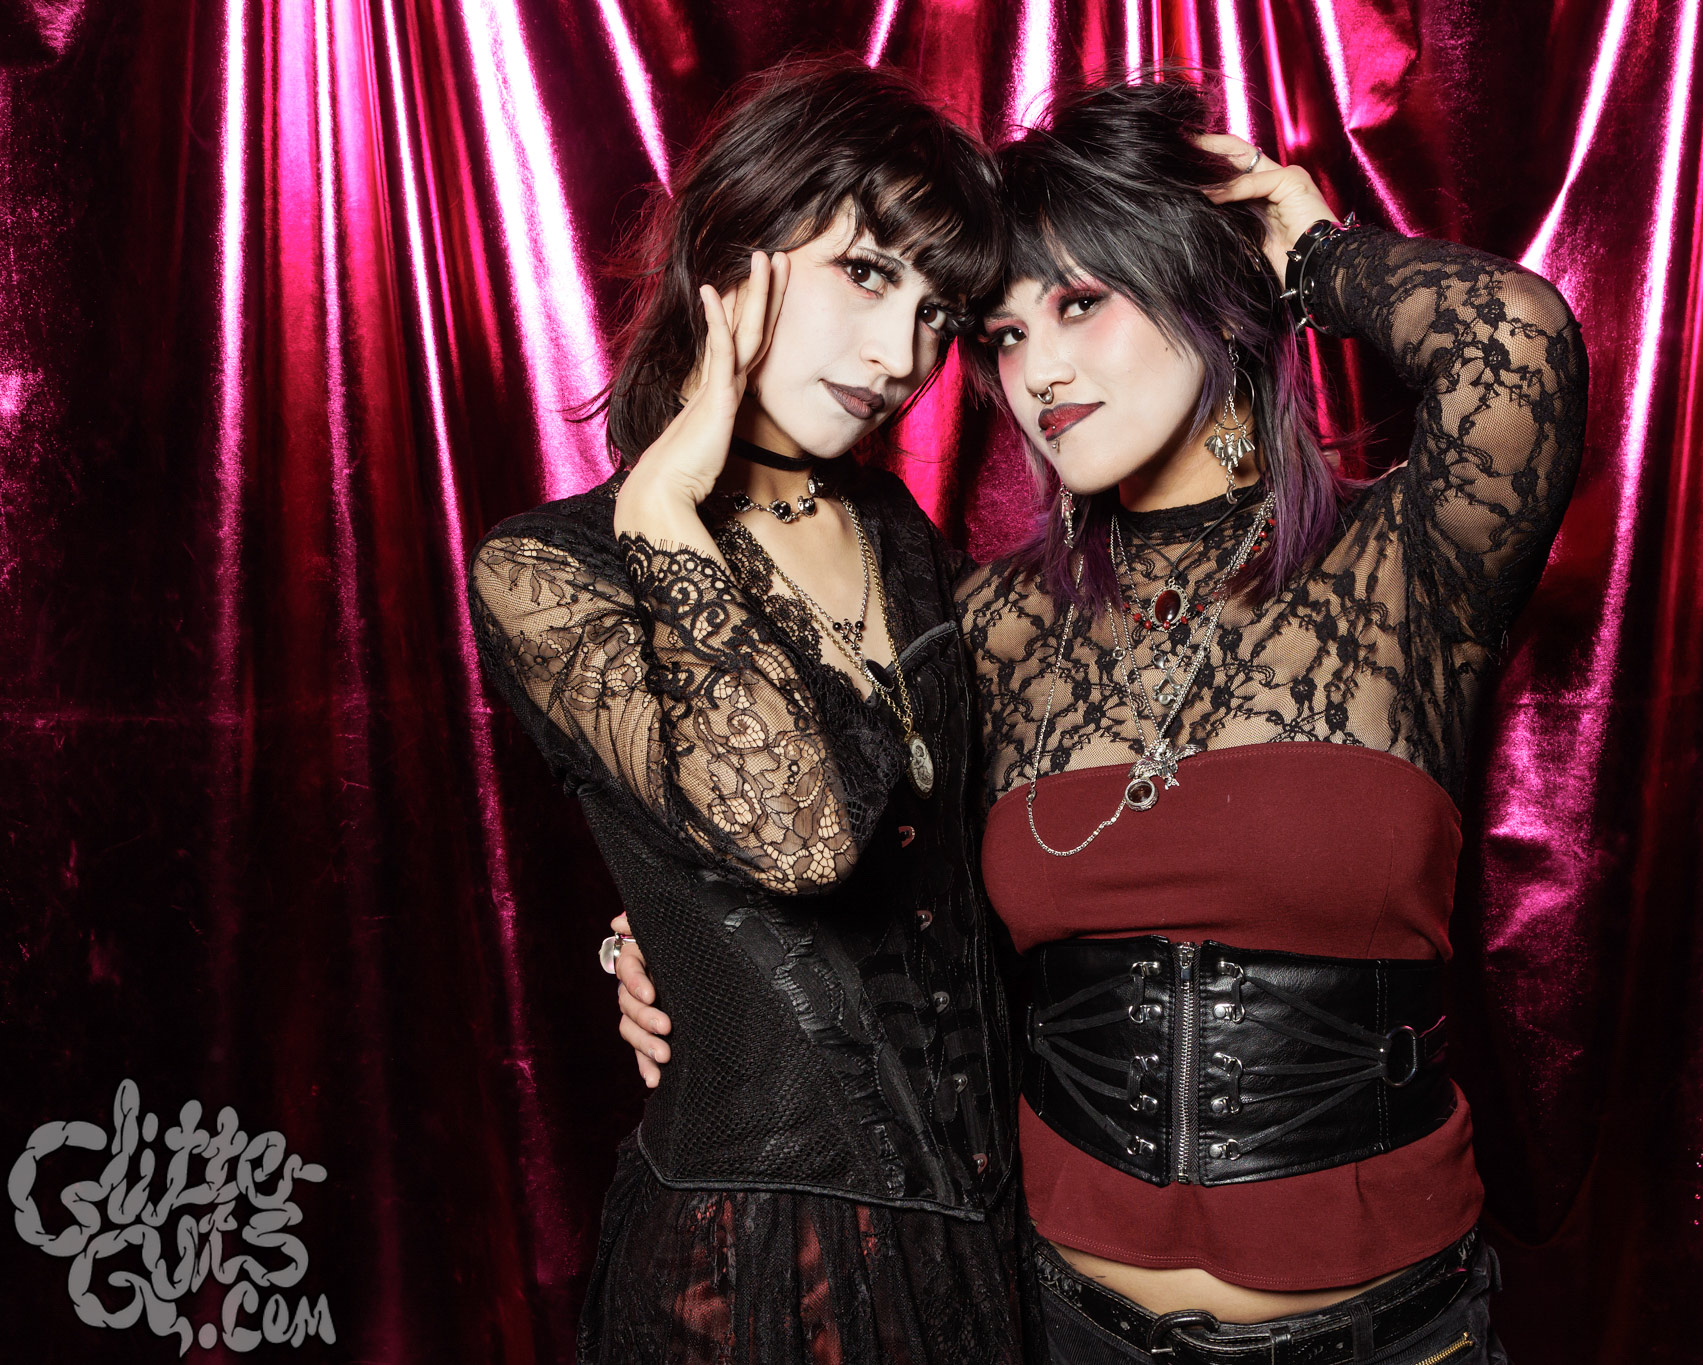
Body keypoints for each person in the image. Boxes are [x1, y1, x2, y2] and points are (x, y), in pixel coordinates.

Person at [618, 75, 1588, 1364]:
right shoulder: (988, 625)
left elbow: (1516, 340)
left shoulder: (1405, 567)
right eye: (1003, 335)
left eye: (1080, 304)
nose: (1039, 374)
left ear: (1205, 289)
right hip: (1065, 1327)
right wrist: (679, 942)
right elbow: (845, 862)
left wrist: (1309, 255)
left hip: (1394, 1336)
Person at [468, 57, 1023, 1364]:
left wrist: (664, 929)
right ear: (735, 244)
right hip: (755, 1270)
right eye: (867, 273)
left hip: (992, 1245)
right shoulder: (552, 569)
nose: (901, 356)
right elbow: (801, 840)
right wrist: (663, 508)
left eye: (938, 313)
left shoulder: (897, 533)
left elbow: (964, 846)